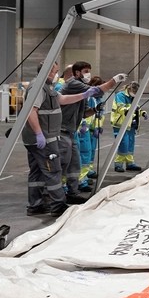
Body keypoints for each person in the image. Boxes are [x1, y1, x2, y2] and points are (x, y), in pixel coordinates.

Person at [24, 61, 122, 217]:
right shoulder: (38, 87)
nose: (58, 75)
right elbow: (31, 111)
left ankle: (35, 204)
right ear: (48, 71)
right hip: (45, 137)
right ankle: (57, 205)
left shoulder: (47, 87)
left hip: (46, 136)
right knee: (53, 171)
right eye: (55, 71)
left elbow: (62, 100)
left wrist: (84, 96)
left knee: (37, 172)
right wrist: (38, 133)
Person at [60, 61, 123, 201]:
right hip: (62, 131)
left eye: (89, 71)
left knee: (75, 164)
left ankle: (72, 193)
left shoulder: (82, 91)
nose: (88, 74)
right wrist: (115, 80)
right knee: (63, 163)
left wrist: (94, 110)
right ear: (77, 73)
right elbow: (97, 90)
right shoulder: (73, 84)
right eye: (85, 71)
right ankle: (58, 194)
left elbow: (83, 113)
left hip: (72, 131)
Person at [76, 76, 105, 191]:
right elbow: (83, 112)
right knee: (83, 154)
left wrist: (98, 126)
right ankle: (81, 179)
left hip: (90, 130)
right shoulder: (87, 98)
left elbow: (98, 114)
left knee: (89, 153)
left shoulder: (95, 100)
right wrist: (84, 124)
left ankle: (85, 174)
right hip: (83, 130)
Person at [112, 81, 147, 173]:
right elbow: (120, 107)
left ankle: (130, 163)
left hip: (131, 124)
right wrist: (128, 110)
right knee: (123, 144)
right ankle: (118, 164)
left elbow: (136, 107)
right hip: (121, 124)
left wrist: (142, 112)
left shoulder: (133, 97)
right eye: (135, 93)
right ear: (130, 89)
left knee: (130, 145)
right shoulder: (120, 95)